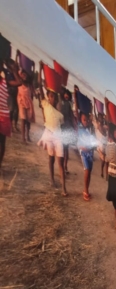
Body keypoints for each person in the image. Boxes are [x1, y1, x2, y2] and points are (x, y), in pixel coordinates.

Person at [38, 62, 66, 196]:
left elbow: (61, 124)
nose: (52, 98)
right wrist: (40, 69)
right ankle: (52, 180)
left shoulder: (60, 114)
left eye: (54, 96)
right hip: (48, 135)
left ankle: (64, 187)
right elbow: (39, 87)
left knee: (60, 161)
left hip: (58, 137)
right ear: (48, 97)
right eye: (50, 96)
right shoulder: (45, 104)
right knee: (51, 159)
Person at [0, 59, 21, 170]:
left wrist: (14, 71)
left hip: (3, 116)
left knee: (2, 143)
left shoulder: (5, 81)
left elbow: (19, 82)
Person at [77, 112, 96, 200]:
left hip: (90, 153)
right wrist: (82, 147)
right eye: (84, 120)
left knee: (89, 172)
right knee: (87, 170)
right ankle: (85, 190)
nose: (86, 122)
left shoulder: (90, 130)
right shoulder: (79, 129)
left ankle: (87, 189)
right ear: (81, 120)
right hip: (84, 153)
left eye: (87, 120)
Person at [58, 89, 75, 174]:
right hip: (62, 126)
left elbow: (72, 116)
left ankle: (65, 166)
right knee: (63, 147)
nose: (66, 95)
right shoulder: (61, 102)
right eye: (65, 94)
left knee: (65, 148)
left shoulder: (69, 104)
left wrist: (74, 127)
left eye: (68, 94)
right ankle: (63, 166)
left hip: (67, 127)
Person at [16, 69, 35, 144]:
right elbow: (16, 71)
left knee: (28, 121)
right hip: (21, 102)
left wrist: (33, 67)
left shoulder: (29, 85)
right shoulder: (19, 82)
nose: (24, 76)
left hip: (29, 103)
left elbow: (33, 93)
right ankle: (23, 138)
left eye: (25, 75)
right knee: (23, 120)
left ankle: (27, 135)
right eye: (23, 74)